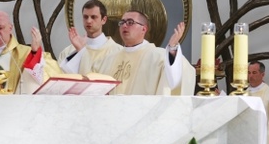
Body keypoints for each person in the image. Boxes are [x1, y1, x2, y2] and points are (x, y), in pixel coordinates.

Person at [62, 10, 195, 95]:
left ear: (144, 28)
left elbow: (179, 74)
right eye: (123, 22)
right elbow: (88, 76)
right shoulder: (109, 58)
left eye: (130, 22)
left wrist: (172, 49)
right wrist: (81, 51)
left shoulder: (157, 56)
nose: (125, 25)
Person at [58, 0, 121, 74]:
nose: (88, 21)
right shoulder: (68, 52)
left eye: (93, 17)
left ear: (104, 20)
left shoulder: (117, 52)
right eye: (85, 17)